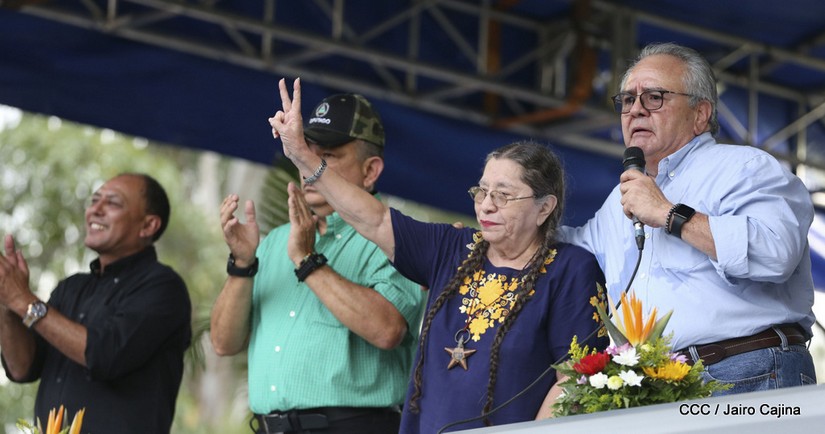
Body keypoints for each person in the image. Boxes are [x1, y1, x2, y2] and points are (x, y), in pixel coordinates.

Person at [269, 78, 608, 433]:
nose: (486, 205)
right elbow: (374, 218)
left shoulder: (570, 269)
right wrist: (304, 157)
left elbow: (576, 377)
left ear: (544, 208)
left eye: (503, 195)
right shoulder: (452, 248)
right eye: (482, 191)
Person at [558, 42, 818, 395]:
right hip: (656, 388)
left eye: (654, 97)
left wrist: (669, 214)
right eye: (628, 100)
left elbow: (775, 253)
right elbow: (566, 251)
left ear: (700, 114)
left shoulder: (744, 167)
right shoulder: (619, 199)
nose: (636, 110)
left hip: (748, 370)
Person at [210, 90, 426, 434]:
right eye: (306, 153)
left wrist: (308, 261)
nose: (308, 166)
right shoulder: (275, 240)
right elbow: (224, 343)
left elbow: (387, 331)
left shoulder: (396, 237)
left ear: (370, 170)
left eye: (327, 156)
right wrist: (242, 263)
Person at [0, 173, 192, 433]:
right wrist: (7, 304)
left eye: (113, 203)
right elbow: (22, 368)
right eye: (94, 200)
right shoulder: (71, 288)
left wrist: (22, 300)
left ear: (148, 225)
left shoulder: (164, 287)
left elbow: (104, 355)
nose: (95, 210)